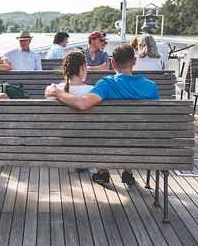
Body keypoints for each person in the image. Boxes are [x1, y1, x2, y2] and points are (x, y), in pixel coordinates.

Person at [45, 44, 159, 186]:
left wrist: (57, 92)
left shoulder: (107, 84)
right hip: (144, 145)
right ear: (134, 61)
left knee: (103, 130)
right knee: (132, 130)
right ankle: (128, 172)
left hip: (109, 143)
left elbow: (82, 104)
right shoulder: (151, 86)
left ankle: (103, 171)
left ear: (112, 63)